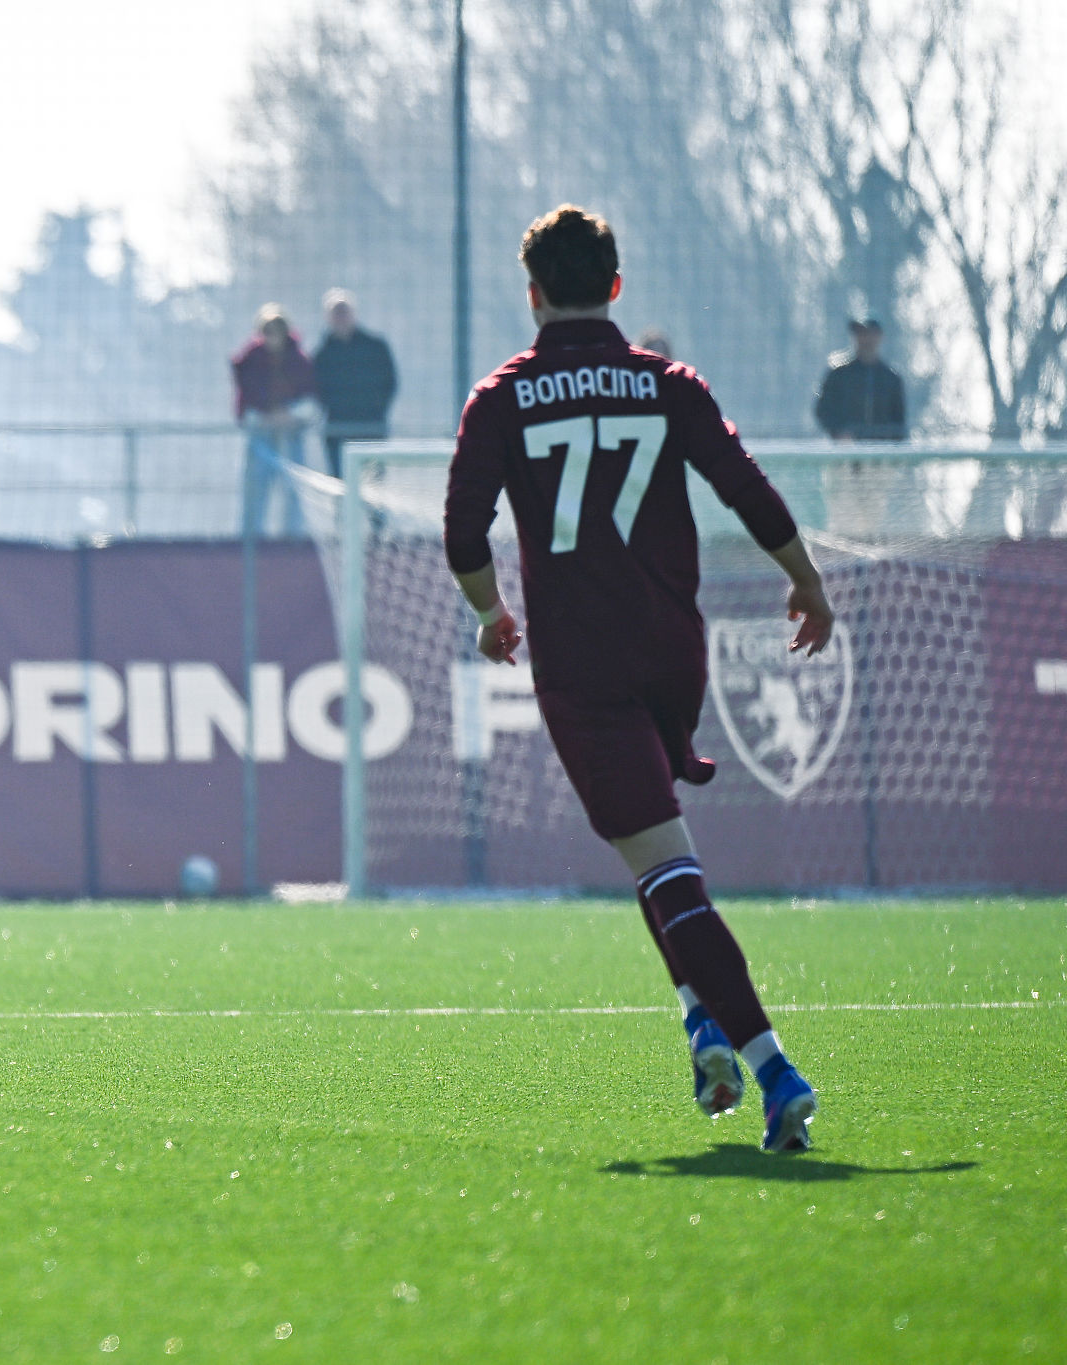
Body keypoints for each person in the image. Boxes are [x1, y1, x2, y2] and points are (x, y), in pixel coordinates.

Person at [443, 205, 835, 1153]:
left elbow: (461, 532)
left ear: (531, 293)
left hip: (582, 664)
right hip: (670, 651)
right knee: (656, 854)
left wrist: (492, 613)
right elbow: (746, 485)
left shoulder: (502, 396)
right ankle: (701, 1022)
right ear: (615, 287)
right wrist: (807, 582)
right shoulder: (668, 384)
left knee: (664, 867)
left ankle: (773, 1065)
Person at [230, 305, 316, 537]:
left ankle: (292, 540)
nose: (273, 335)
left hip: (291, 434)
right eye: (268, 329)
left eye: (279, 329)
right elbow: (245, 400)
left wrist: (290, 415)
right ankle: (251, 541)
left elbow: (310, 398)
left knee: (294, 490)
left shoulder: (300, 361)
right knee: (255, 488)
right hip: (260, 433)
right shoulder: (249, 361)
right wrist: (264, 417)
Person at [311, 289, 398, 477]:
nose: (341, 318)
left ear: (353, 314)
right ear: (328, 317)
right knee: (341, 486)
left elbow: (389, 382)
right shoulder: (322, 354)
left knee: (373, 488)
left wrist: (375, 409)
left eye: (344, 312)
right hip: (337, 431)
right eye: (336, 313)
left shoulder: (375, 347)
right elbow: (316, 389)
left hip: (371, 428)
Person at [814, 318, 907, 441]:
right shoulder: (838, 374)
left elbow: (898, 421)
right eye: (861, 333)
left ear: (880, 336)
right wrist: (839, 432)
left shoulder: (891, 378)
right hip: (846, 453)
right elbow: (823, 411)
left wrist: (893, 445)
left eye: (870, 333)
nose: (866, 339)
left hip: (882, 452)